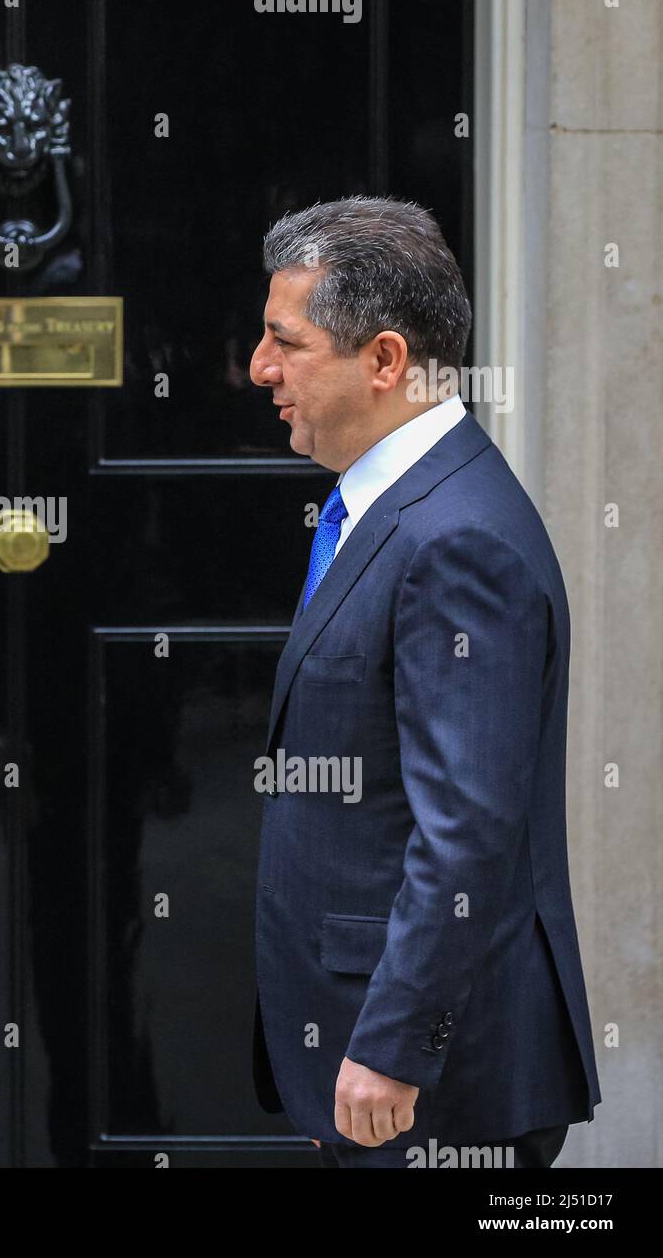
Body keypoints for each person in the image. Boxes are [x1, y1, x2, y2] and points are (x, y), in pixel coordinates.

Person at [247, 196, 601, 1169]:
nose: (259, 367)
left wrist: (396, 1044)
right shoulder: (391, 504)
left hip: (433, 1085)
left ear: (386, 359)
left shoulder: (457, 540)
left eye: (286, 341)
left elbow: (467, 826)